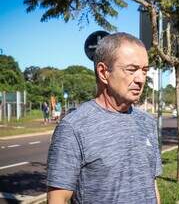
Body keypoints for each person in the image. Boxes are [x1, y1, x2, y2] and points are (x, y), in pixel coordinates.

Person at [47, 32, 162, 204]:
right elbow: (58, 199)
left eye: (144, 71)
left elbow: (151, 186)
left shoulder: (147, 122)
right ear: (103, 72)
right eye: (131, 70)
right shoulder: (73, 128)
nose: (140, 79)